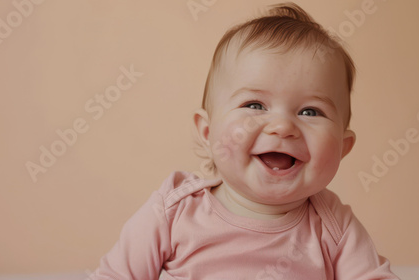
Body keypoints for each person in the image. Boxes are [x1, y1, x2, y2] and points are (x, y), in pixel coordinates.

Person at [90, 2, 400, 279]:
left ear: (343, 148)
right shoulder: (174, 210)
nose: (281, 126)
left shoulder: (334, 225)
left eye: (310, 111)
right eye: (255, 106)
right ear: (208, 132)